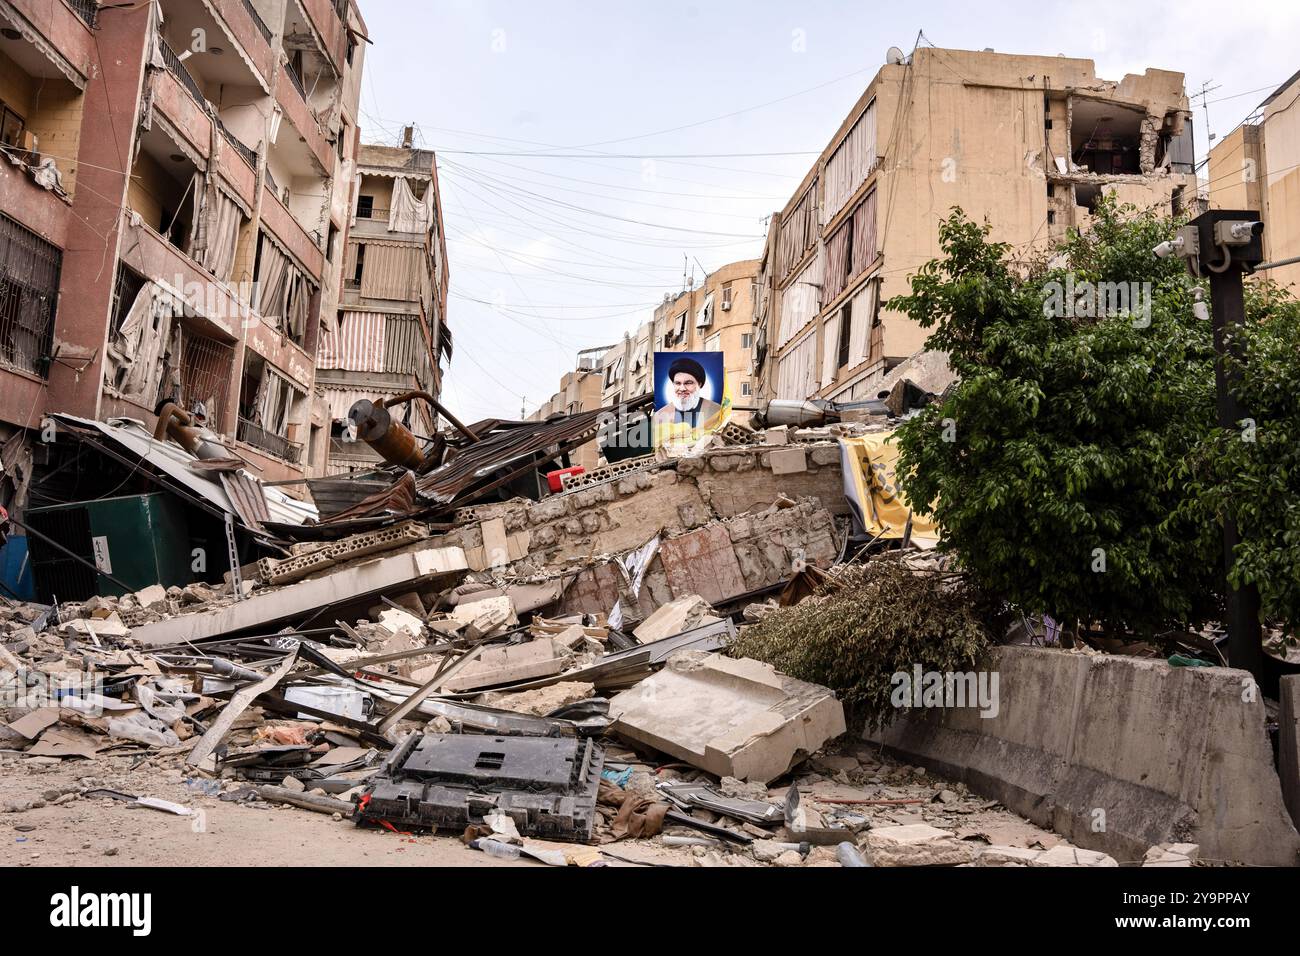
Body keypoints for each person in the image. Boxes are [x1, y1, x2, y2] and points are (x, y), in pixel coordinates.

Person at [652, 357, 722, 430]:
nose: (682, 389)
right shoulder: (660, 416)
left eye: (688, 383)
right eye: (678, 383)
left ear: (699, 384)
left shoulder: (716, 411)